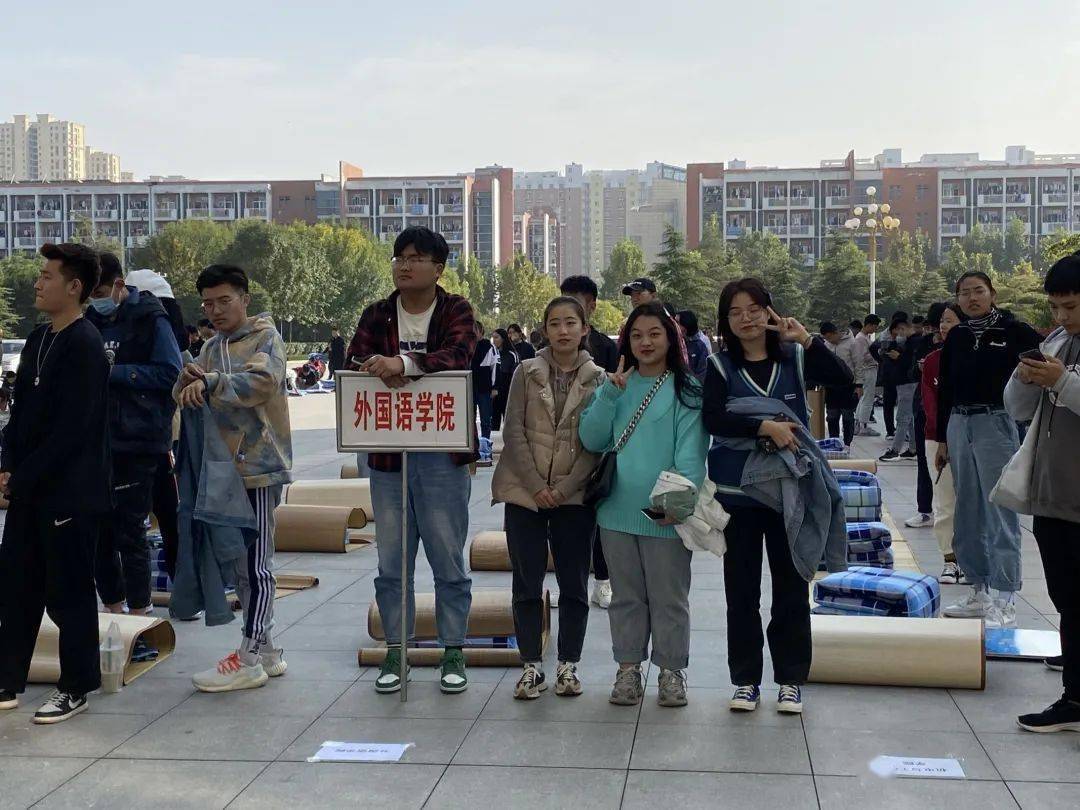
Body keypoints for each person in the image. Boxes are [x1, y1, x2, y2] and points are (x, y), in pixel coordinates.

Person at [705, 279, 851, 715]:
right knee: (742, 591)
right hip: (738, 495)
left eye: (754, 309)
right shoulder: (718, 365)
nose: (745, 319)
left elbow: (843, 381)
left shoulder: (796, 359)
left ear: (769, 312)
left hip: (791, 493)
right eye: (735, 311)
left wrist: (805, 338)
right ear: (725, 320)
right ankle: (746, 680)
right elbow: (714, 419)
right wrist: (762, 427)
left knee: (791, 587)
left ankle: (790, 679)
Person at [346, 226, 477, 695]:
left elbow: (461, 354)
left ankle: (453, 649)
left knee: (447, 555)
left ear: (439, 269)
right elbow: (356, 359)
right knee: (392, 559)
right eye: (400, 257)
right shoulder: (378, 313)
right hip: (387, 457)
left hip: (442, 454)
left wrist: (404, 365)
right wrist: (375, 366)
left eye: (417, 258)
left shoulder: (456, 309)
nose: (405, 265)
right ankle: (396, 649)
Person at [0, 243, 110, 724]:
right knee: (17, 587)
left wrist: (21, 476)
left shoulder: (86, 344)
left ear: (75, 287)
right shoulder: (38, 338)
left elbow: (72, 430)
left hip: (70, 491)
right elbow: (19, 416)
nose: (38, 283)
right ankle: (7, 679)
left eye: (48, 276)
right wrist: (7, 464)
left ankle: (75, 685)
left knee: (69, 593)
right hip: (29, 489)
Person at [579, 301, 709, 709]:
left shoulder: (686, 390)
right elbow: (592, 439)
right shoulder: (616, 384)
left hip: (664, 514)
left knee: (669, 597)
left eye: (654, 333)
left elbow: (690, 453)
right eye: (636, 335)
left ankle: (672, 672)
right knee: (626, 597)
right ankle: (628, 669)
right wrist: (606, 396)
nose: (645, 342)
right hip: (615, 510)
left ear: (671, 338)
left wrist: (676, 503)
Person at [175, 264, 293, 692]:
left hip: (259, 469)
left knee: (257, 565)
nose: (216, 309)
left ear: (245, 298)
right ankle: (266, 650)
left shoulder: (266, 339)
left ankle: (247, 657)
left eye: (224, 300)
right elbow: (184, 389)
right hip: (222, 473)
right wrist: (187, 381)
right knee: (240, 564)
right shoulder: (210, 348)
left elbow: (261, 383)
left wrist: (208, 381)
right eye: (208, 303)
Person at [492, 296, 605, 699]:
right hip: (524, 494)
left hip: (574, 498)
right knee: (526, 582)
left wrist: (563, 488)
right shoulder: (526, 372)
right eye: (555, 322)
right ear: (545, 329)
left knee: (574, 584)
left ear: (584, 329)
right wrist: (537, 485)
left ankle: (568, 667)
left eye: (571, 322)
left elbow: (596, 445)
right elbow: (514, 431)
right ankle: (531, 667)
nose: (563, 330)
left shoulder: (600, 379)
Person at [937, 271, 1040, 627]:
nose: (971, 298)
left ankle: (1005, 597)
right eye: (964, 293)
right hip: (959, 422)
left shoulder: (1016, 331)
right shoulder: (959, 336)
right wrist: (942, 440)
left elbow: (1036, 377)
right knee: (966, 508)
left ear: (992, 293)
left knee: (999, 508)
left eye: (978, 291)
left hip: (996, 422)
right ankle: (978, 589)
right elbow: (946, 387)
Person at [85, 253, 182, 626]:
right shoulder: (89, 321)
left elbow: (169, 373)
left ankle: (140, 615)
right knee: (99, 532)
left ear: (119, 286)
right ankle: (113, 608)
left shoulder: (149, 320)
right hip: (96, 441)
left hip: (138, 440)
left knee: (132, 530)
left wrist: (115, 372)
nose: (97, 299)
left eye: (100, 291)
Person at [1006, 253, 1080, 732]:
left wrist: (1064, 381)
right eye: (1055, 308)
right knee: (1068, 598)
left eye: (1070, 307)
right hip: (1055, 493)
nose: (1061, 318)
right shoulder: (1057, 341)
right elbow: (1015, 408)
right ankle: (1075, 697)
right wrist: (1026, 378)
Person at [560, 274, 619, 608]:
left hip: (595, 445)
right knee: (566, 523)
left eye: (576, 304)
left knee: (598, 515)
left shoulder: (606, 348)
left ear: (592, 306)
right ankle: (569, 582)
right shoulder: (546, 349)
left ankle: (603, 580)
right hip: (557, 448)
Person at [920, 303, 964, 583]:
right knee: (945, 500)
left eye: (950, 320)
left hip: (972, 438)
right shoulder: (932, 361)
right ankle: (949, 560)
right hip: (937, 438)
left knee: (973, 503)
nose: (944, 326)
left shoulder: (978, 357)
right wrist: (942, 437)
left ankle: (972, 560)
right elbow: (930, 403)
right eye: (942, 321)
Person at [878, 315, 919, 462]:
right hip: (903, 383)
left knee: (902, 418)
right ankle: (914, 449)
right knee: (910, 419)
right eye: (897, 331)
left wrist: (899, 357)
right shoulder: (907, 342)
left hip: (909, 383)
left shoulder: (915, 342)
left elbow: (911, 363)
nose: (899, 334)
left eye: (901, 330)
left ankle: (895, 450)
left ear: (907, 327)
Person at [819, 321, 859, 447]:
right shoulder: (826, 345)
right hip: (831, 387)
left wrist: (859, 385)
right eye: (825, 338)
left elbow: (858, 365)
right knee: (831, 416)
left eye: (829, 337)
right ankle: (833, 442)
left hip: (848, 386)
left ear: (835, 333)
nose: (828, 340)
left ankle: (847, 444)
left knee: (847, 416)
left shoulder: (852, 343)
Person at [852, 314, 882, 436]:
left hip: (868, 369)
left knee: (864, 398)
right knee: (868, 398)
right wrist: (878, 353)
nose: (875, 329)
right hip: (867, 370)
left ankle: (859, 424)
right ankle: (863, 425)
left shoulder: (864, 337)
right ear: (869, 325)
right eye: (875, 327)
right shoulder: (860, 338)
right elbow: (861, 356)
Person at [471, 319, 496, 464]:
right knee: (470, 418)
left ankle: (486, 446)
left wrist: (494, 387)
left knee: (486, 419)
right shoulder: (466, 346)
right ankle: (474, 446)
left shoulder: (488, 347)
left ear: (481, 332)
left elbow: (494, 368)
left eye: (475, 330)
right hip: (470, 387)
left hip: (484, 388)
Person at [491, 328, 519, 432]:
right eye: (493, 337)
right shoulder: (493, 353)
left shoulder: (512, 354)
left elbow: (515, 373)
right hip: (495, 391)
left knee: (509, 419)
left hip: (508, 390)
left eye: (496, 337)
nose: (494, 340)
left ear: (503, 339)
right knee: (494, 419)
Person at [676, 309, 709, 380]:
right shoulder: (673, 344)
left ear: (686, 324)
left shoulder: (699, 346)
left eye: (677, 323)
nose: (675, 325)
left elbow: (702, 373)